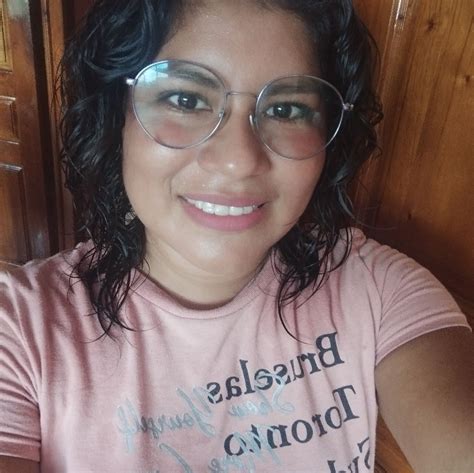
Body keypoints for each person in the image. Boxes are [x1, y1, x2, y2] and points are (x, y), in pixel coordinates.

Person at [0, 0, 473, 471]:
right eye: (186, 100)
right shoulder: (18, 330)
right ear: (116, 116)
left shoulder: (378, 291)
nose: (239, 160)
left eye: (286, 109)